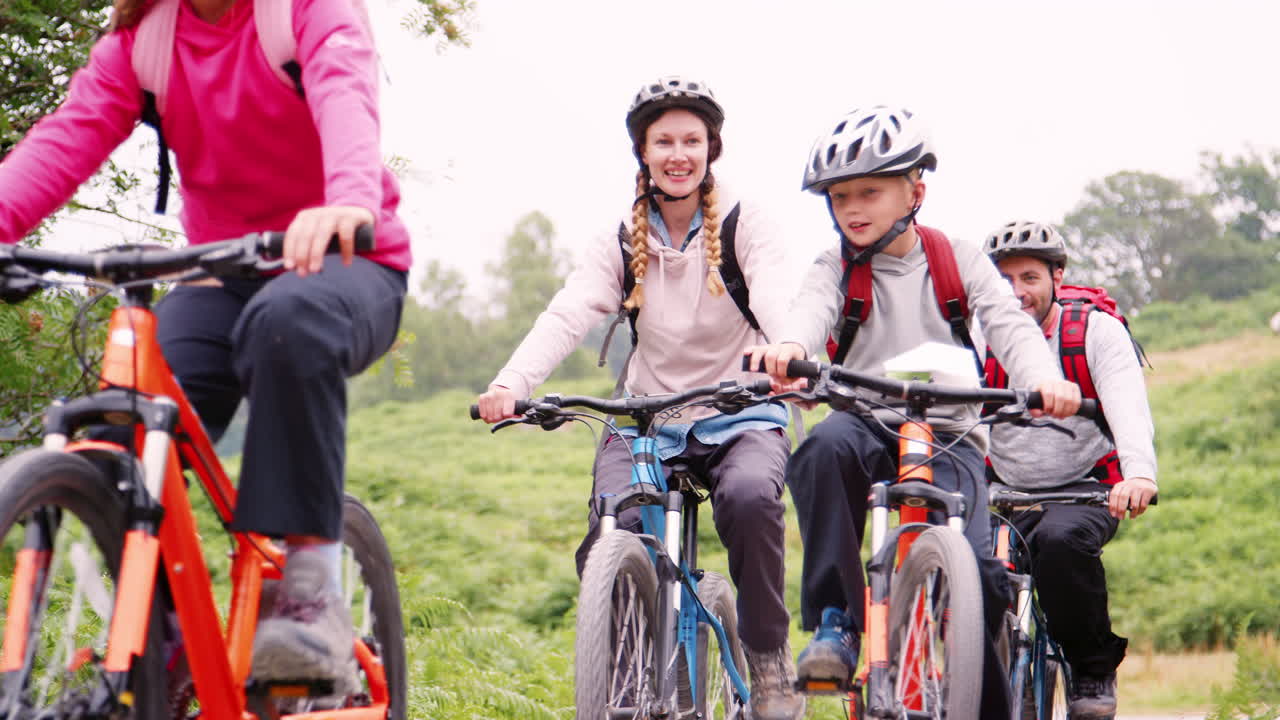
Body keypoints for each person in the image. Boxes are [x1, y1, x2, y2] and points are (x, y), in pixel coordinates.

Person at [0, 0, 410, 696]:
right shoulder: (145, 39)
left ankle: (308, 594)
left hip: (350, 257)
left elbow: (345, 83)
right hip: (223, 272)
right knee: (122, 421)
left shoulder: (300, 10)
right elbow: (66, 135)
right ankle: (165, 641)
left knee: (288, 323)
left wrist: (347, 198)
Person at [475, 75, 804, 720]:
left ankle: (768, 660)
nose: (678, 154)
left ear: (711, 148)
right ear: (643, 153)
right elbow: (568, 312)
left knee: (747, 499)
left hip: (741, 411)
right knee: (613, 528)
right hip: (648, 416)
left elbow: (775, 294)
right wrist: (514, 382)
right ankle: (625, 683)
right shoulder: (623, 239)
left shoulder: (744, 221)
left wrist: (787, 347)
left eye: (691, 140)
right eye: (663, 142)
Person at [747, 106, 1081, 717]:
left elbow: (1009, 325)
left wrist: (1044, 378)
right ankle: (836, 623)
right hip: (865, 421)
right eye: (839, 195)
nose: (852, 207)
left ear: (916, 191)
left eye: (869, 191)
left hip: (950, 434)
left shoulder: (957, 259)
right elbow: (809, 312)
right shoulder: (834, 268)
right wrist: (790, 347)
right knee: (822, 449)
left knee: (980, 578)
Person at [983, 219, 1158, 719]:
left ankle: (1091, 669)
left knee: (1061, 545)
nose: (1016, 293)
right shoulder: (976, 335)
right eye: (1004, 281)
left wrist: (1138, 474)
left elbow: (1127, 405)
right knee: (968, 566)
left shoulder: (1094, 332)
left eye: (1029, 278)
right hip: (1000, 490)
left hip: (1084, 487)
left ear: (1058, 277)